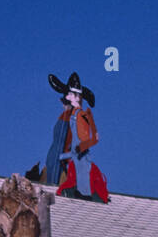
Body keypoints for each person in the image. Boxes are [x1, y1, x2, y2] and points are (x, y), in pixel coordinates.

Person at [26, 71, 109, 202]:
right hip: (56, 162)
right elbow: (58, 142)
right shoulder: (65, 117)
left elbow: (88, 139)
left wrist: (76, 152)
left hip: (69, 163)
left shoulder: (80, 117)